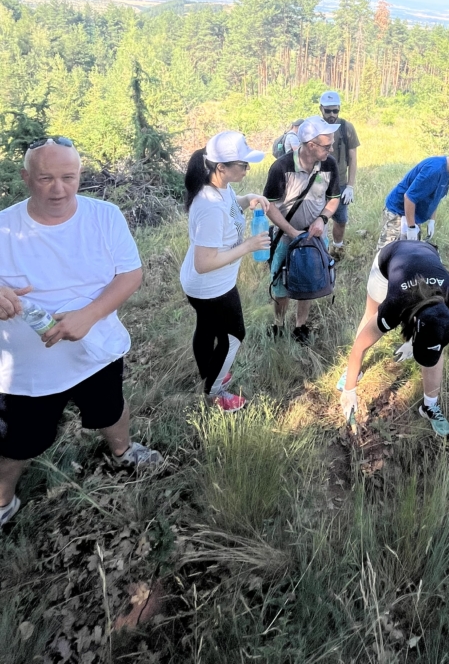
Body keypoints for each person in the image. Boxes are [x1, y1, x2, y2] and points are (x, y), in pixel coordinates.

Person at [0, 138, 163, 529]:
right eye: (46, 178)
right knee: (17, 442)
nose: (59, 189)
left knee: (110, 409)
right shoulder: (4, 227)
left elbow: (130, 274)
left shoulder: (104, 216)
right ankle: (4, 501)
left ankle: (123, 452)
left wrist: (90, 315)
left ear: (79, 175)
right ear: (26, 177)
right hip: (27, 369)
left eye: (68, 177)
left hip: (96, 349)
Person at [180, 131, 271, 412]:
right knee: (234, 335)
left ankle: (208, 372)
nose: (247, 169)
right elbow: (204, 262)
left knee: (207, 328)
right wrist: (248, 246)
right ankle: (215, 391)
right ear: (221, 166)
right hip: (211, 286)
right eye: (243, 164)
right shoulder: (208, 206)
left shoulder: (220, 187)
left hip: (204, 284)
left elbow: (230, 205)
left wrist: (248, 198)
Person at [339, 240, 449, 437]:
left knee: (433, 336)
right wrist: (349, 390)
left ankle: (430, 406)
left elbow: (435, 333)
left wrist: (416, 341)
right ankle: (353, 373)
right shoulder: (394, 304)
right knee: (370, 317)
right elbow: (360, 346)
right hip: (391, 258)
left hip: (427, 254)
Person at [263, 116, 341, 344]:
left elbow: (334, 198)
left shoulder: (330, 164)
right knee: (280, 285)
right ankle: (278, 324)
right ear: (311, 145)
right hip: (285, 236)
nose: (331, 149)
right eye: (327, 145)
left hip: (315, 236)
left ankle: (300, 327)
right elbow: (269, 206)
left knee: (308, 281)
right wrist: (291, 232)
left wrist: (322, 220)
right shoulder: (281, 167)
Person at [378, 150, 449, 249]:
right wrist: (411, 227)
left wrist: (431, 220)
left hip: (412, 215)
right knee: (386, 252)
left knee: (409, 253)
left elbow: (435, 197)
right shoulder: (434, 170)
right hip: (398, 212)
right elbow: (409, 198)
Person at [318, 90, 360, 260]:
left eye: (335, 110)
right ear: (321, 109)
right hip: (317, 182)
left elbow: (353, 157)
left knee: (341, 219)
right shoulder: (315, 127)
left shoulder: (346, 127)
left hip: (339, 183)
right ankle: (319, 252)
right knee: (317, 218)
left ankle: (337, 250)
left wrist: (350, 186)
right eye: (328, 110)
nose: (332, 114)